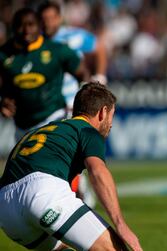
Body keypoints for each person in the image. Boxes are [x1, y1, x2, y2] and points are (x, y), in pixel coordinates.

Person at [0, 82, 143, 251]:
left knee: (64, 247)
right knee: (114, 248)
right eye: (112, 115)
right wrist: (120, 223)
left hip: (6, 210)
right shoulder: (87, 131)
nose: (111, 124)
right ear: (103, 112)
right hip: (42, 192)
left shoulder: (43, 131)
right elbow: (97, 171)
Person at [38, 0, 108, 208]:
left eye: (52, 18)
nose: (48, 23)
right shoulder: (35, 41)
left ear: (59, 18)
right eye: (44, 19)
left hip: (72, 103)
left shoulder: (73, 36)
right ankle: (78, 192)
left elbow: (99, 48)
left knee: (71, 149)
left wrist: (100, 76)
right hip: (46, 106)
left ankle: (79, 193)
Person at [0, 7, 88, 141]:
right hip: (21, 126)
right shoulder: (3, 54)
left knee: (48, 160)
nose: (26, 30)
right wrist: (3, 102)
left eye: (30, 25)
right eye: (20, 25)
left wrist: (83, 101)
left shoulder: (57, 50)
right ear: (13, 27)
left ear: (40, 26)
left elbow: (83, 74)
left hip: (53, 117)